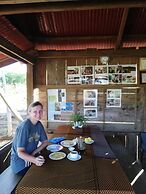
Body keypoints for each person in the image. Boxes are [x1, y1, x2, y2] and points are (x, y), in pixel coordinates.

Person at [10, 101, 48, 176]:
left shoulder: (39, 124)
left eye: (40, 111)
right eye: (35, 111)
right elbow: (20, 152)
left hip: (31, 157)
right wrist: (34, 160)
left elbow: (45, 142)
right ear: (29, 112)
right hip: (20, 164)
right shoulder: (25, 127)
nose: (38, 114)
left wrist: (33, 154)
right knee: (42, 174)